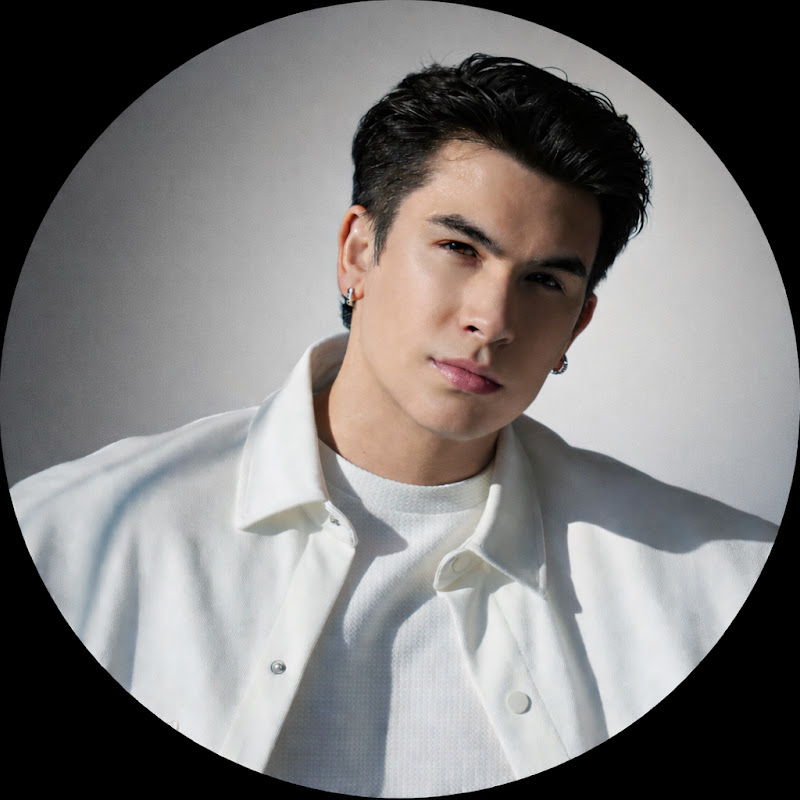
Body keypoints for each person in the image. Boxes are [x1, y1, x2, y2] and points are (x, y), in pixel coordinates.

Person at [10, 54, 776, 796]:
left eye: (545, 280)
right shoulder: (75, 541)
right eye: (458, 248)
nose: (492, 320)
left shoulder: (715, 587)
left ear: (577, 324)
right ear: (358, 252)